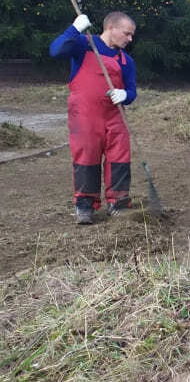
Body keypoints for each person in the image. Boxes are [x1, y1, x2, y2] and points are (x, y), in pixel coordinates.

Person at [49, 11, 137, 224]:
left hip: (115, 116)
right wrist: (74, 29)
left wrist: (125, 95)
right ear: (111, 28)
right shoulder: (83, 44)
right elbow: (55, 50)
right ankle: (84, 205)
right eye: (127, 33)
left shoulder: (126, 61)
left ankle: (118, 203)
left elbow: (132, 92)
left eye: (132, 35)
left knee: (119, 158)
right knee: (86, 157)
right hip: (85, 115)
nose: (130, 39)